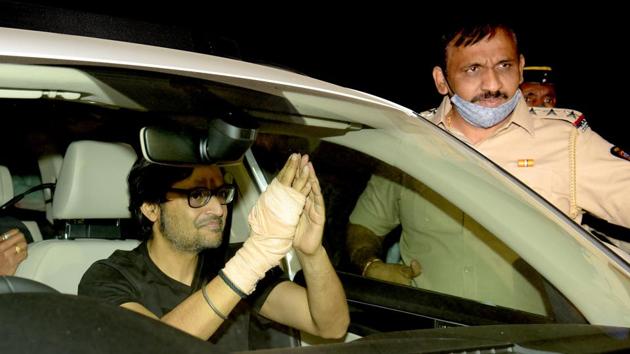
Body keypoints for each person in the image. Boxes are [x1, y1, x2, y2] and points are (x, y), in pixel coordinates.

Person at [346, 21, 630, 307]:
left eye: (504, 66)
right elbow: (364, 225)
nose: (493, 84)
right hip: (427, 329)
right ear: (441, 80)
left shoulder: (567, 141)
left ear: (520, 67)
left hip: (536, 339)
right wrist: (370, 264)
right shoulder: (411, 142)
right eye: (473, 69)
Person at [79, 154, 349, 349]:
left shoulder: (230, 261)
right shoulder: (109, 277)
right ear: (151, 208)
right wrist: (254, 257)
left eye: (221, 193)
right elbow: (156, 347)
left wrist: (311, 253)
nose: (219, 209)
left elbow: (331, 326)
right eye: (197, 195)